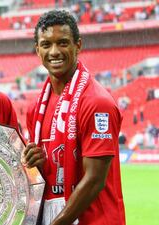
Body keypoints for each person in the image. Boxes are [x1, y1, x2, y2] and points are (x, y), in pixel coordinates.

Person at [22, 10, 125, 225]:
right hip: (55, 216)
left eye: (62, 43)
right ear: (37, 50)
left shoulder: (98, 103)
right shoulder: (35, 110)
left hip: (94, 220)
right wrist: (36, 164)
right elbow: (45, 177)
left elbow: (94, 180)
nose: (54, 52)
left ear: (78, 45)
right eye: (46, 44)